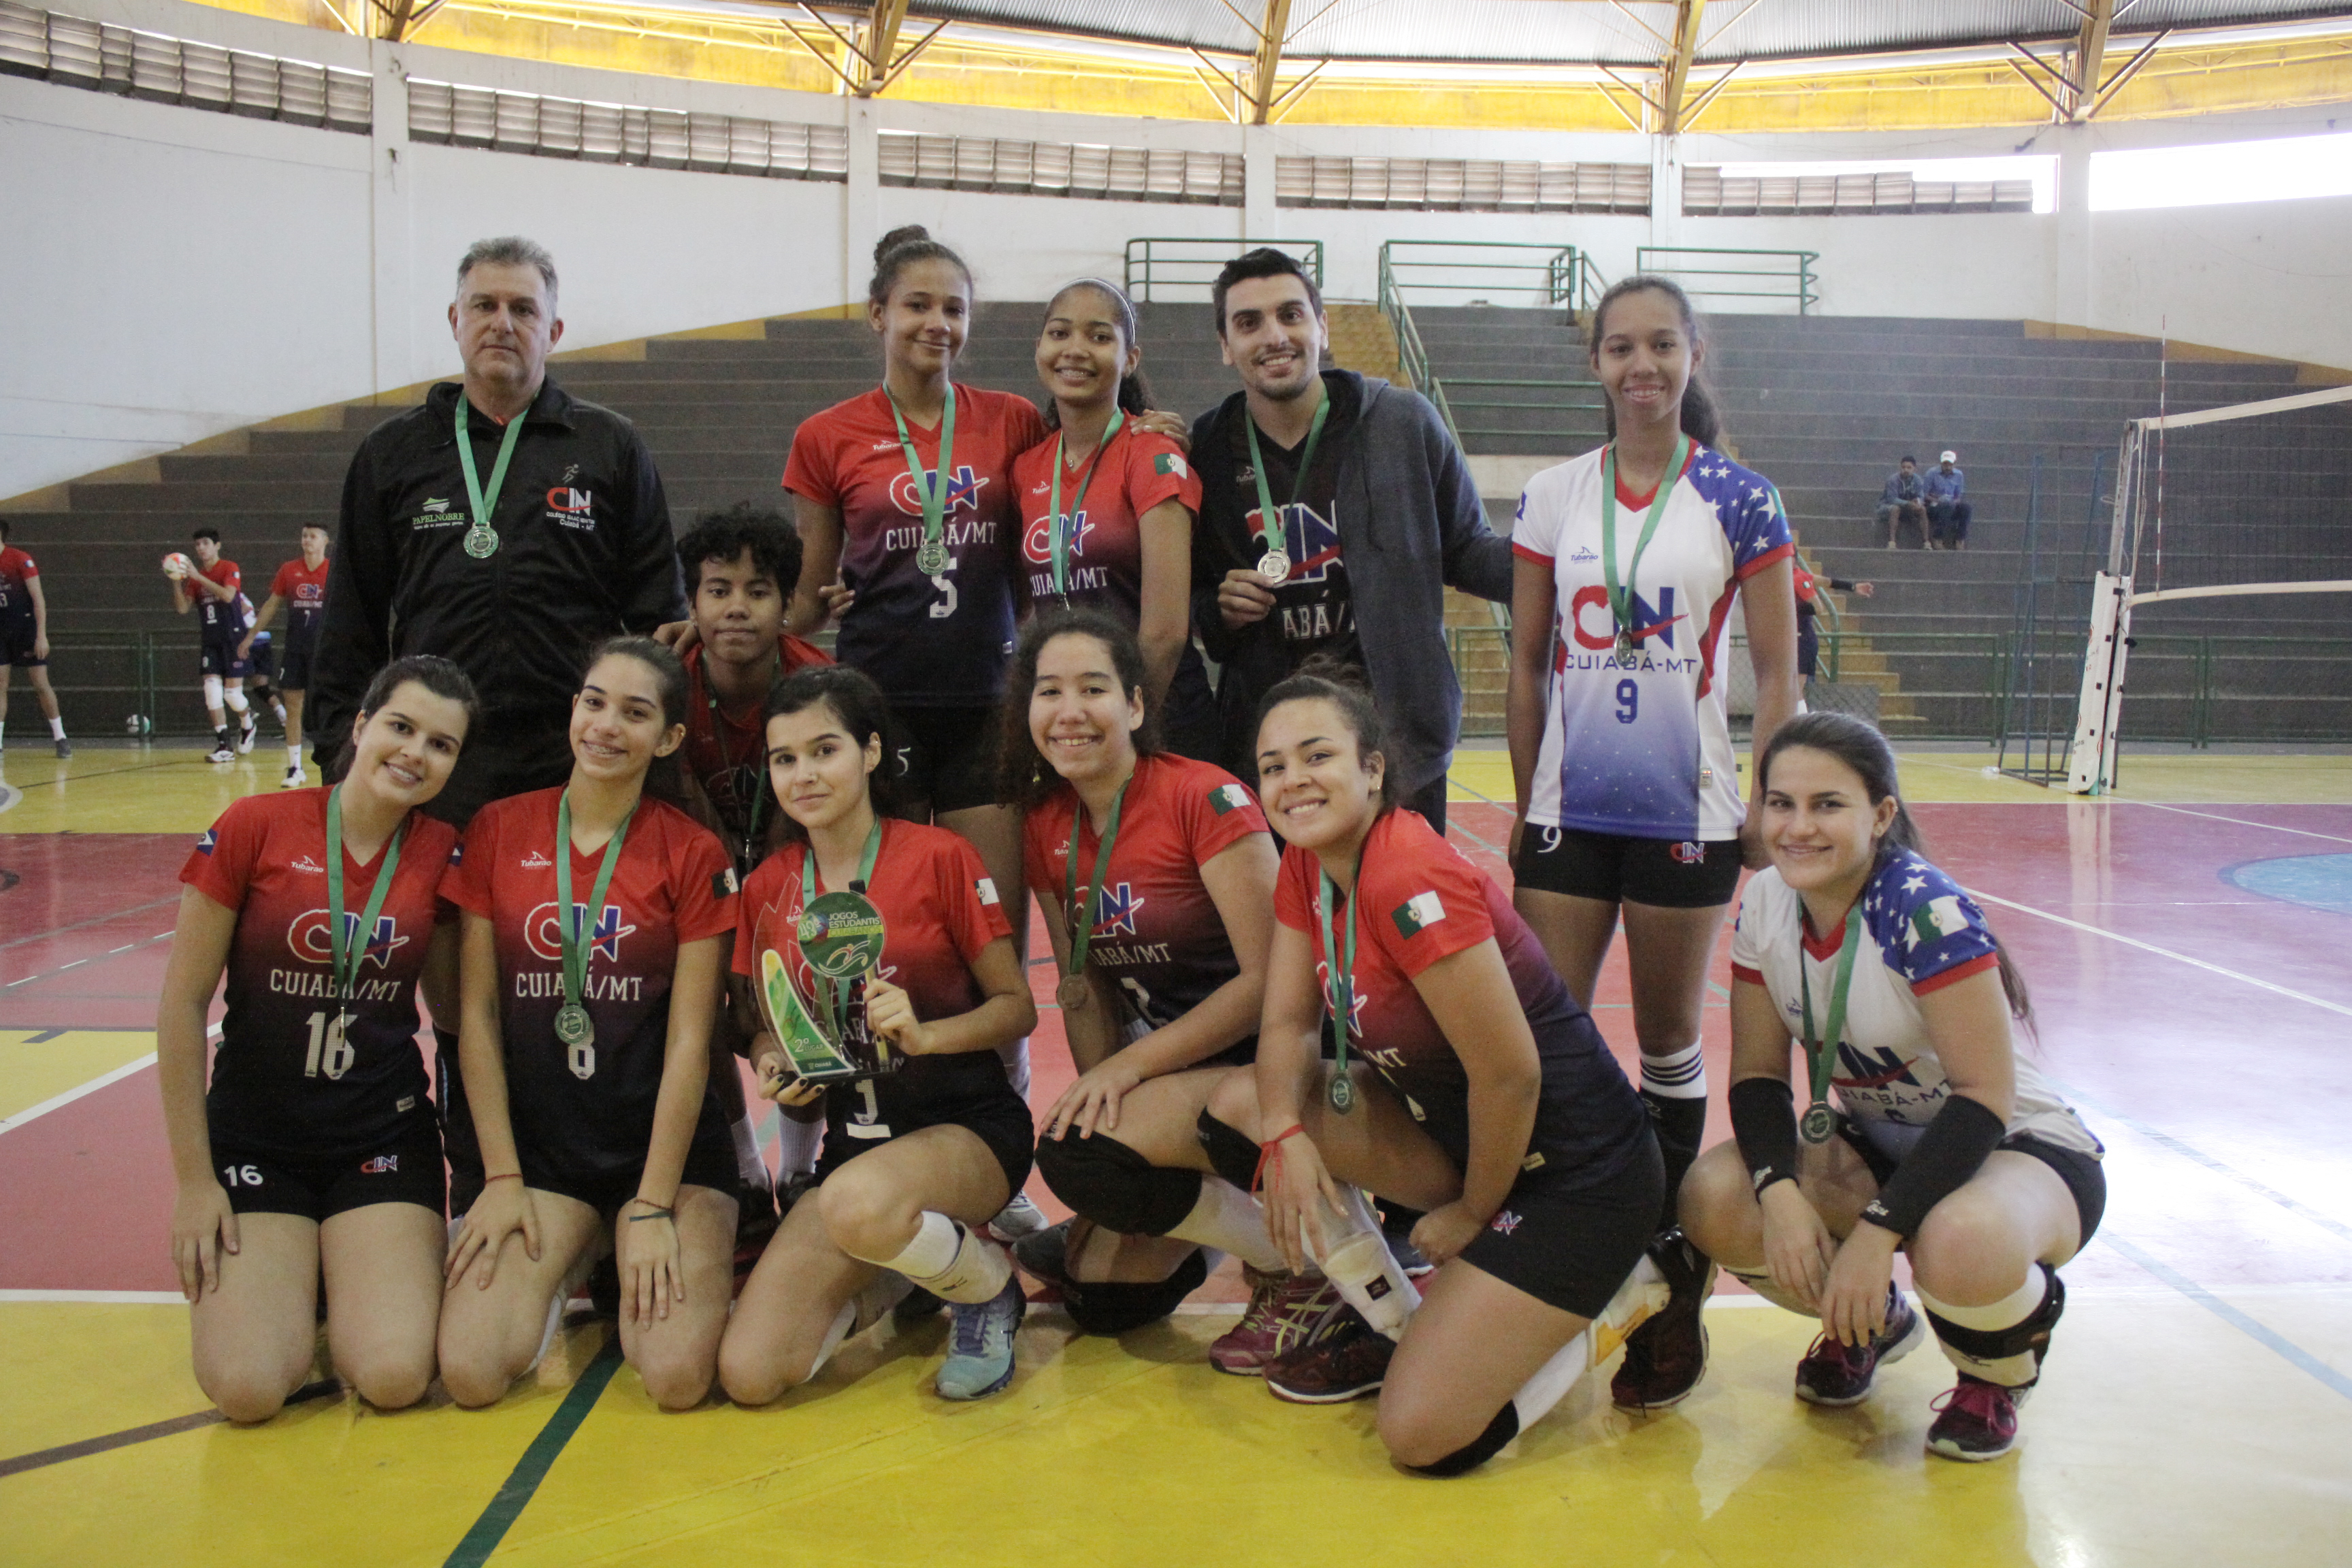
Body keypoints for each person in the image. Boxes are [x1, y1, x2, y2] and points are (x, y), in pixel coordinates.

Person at [1189, 667, 1664, 1472]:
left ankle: (1638, 1288)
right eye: (1273, 766)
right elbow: (1288, 1022)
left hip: (1579, 1177)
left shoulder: (1409, 875)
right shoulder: (1309, 864)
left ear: (1373, 768)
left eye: (1317, 756)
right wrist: (1285, 1132)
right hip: (1465, 1139)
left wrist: (1475, 1212)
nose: (1293, 780)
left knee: (1422, 1436)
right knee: (1246, 1102)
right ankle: (1404, 1328)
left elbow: (1510, 1075)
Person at [1503, 273, 1801, 1414]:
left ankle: (1673, 1269)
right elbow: (1529, 663)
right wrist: (1529, 799)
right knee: (1551, 1038)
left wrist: (1770, 804)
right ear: (1595, 362)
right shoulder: (1552, 496)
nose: (1642, 365)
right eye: (1621, 346)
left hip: (1690, 811)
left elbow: (1777, 671)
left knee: (1671, 1040)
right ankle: (1566, 1244)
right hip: (1571, 810)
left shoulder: (1741, 498)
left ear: (1693, 355)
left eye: (1662, 345)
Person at [1678, 712, 2105, 1461]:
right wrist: (1780, 1193)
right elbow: (1756, 1076)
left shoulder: (1921, 908)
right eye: (1780, 803)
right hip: (1883, 1139)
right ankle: (1868, 1323)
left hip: (2012, 1145)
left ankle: (1997, 1368)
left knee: (1960, 1241)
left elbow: (1983, 1098)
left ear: (1880, 816)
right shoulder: (1768, 901)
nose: (1798, 827)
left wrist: (1876, 1234)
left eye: (1827, 805)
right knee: (1717, 1196)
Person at [156, 655, 476, 1422]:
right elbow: (182, 1005)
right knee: (247, 1389)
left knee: (395, 1375)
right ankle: (307, 1275)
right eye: (401, 727)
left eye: (440, 744)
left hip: (381, 1135)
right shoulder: (255, 826)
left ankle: (343, 1272)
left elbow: (456, 1016)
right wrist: (195, 1184)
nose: (415, 753)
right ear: (361, 726)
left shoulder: (441, 851)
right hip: (256, 1140)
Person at [718, 666, 1039, 1404]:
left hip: (966, 1132)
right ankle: (918, 1271)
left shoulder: (939, 856)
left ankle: (986, 1289)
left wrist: (926, 1035)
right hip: (854, 1154)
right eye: (784, 758)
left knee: (858, 1203)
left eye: (824, 750)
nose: (804, 774)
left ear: (870, 753)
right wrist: (773, 1060)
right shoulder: (768, 885)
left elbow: (1016, 1008)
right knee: (751, 1372)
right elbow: (761, 1026)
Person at [436, 638, 741, 1412]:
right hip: (545, 1156)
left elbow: (691, 1044)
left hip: (665, 1158)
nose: (606, 726)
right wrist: (501, 1177)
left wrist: (654, 1203)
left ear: (668, 738)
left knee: (674, 1376)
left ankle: (626, 1230)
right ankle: (583, 1245)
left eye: (635, 713)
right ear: (573, 708)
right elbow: (476, 1017)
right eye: (595, 702)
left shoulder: (693, 851)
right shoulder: (498, 828)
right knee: (471, 1371)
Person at [310, 235, 686, 828]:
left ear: (553, 331)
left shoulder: (609, 446)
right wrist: (339, 751)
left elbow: (658, 616)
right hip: (435, 757)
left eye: (523, 309)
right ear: (455, 320)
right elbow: (349, 621)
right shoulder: (393, 452)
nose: (501, 324)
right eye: (484, 306)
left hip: (576, 754)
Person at [1007, 609, 1279, 1340]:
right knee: (1102, 1298)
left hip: (1271, 1060)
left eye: (1092, 689)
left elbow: (1270, 983)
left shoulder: (1204, 797)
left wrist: (1127, 1072)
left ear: (1133, 705)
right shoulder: (1048, 821)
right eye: (1049, 691)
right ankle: (1209, 1226)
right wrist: (1104, 1110)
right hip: (1173, 1073)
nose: (1069, 711)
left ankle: (1293, 1258)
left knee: (1076, 1157)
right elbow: (1081, 984)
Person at [1190, 248, 1512, 834]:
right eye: (1249, 322)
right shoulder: (1206, 448)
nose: (1274, 336)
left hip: (1397, 744)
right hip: (1272, 756)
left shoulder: (1402, 422)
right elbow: (1192, 600)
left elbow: (1469, 551)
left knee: (1401, 895)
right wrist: (1218, 608)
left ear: (1322, 326)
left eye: (1291, 315)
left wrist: (1569, 550)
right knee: (1284, 901)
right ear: (1225, 345)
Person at [672, 502, 832, 1245]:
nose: (736, 607)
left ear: (787, 603)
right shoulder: (668, 683)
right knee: (697, 1003)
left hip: (796, 868)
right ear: (692, 602)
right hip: (698, 874)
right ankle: (742, 1166)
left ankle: (798, 1168)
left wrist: (768, 914)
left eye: (758, 590)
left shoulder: (820, 683)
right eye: (718, 589)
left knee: (801, 989)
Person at [1011, 279, 1217, 760]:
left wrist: (1126, 729)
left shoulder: (1152, 455)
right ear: (1039, 347)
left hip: (1154, 716)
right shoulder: (1028, 467)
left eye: (1100, 337)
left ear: (1130, 359)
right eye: (1060, 333)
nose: (1075, 349)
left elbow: (1165, 632)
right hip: (1073, 716)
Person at [240, 524, 331, 789]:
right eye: (304, 536)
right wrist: (250, 636)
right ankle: (295, 767)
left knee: (328, 707)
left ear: (325, 541)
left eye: (313, 536)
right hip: (295, 649)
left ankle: (336, 764)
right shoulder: (289, 570)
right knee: (293, 706)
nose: (307, 540)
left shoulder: (333, 571)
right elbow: (272, 604)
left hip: (324, 650)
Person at [166, 527, 257, 764]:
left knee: (232, 695)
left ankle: (248, 721)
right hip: (211, 640)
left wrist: (198, 577)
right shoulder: (195, 579)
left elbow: (228, 596)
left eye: (205, 543)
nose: (201, 548)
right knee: (212, 691)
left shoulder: (228, 567)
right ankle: (224, 745)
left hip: (233, 637)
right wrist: (176, 582)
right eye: (197, 545)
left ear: (217, 546)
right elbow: (183, 609)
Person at [0, 518, 69, 758]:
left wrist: (41, 636)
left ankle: (60, 738)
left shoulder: (19, 559)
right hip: (1, 631)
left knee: (40, 684)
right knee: (0, 686)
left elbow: (38, 598)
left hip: (25, 629)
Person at [1791, 543, 1875, 685]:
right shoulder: (1793, 577)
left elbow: (1818, 608)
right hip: (1794, 638)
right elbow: (1825, 581)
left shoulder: (1798, 578)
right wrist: (1852, 587)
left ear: (1793, 559)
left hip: (1802, 639)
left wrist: (1789, 608)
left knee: (1798, 688)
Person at [1878, 457, 1927, 550]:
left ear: (1914, 469)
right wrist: (1908, 503)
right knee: (1895, 508)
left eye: (1909, 468)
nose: (1906, 470)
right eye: (1903, 467)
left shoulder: (1918, 480)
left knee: (1922, 509)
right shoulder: (1893, 480)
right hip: (1887, 507)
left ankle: (1926, 542)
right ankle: (1892, 542)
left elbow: (1921, 496)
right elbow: (1892, 499)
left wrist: (1918, 503)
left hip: (1907, 508)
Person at [1925, 451, 1972, 551]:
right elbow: (1925, 494)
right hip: (1934, 505)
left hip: (1951, 503)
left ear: (1954, 464)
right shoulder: (1932, 473)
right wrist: (1937, 500)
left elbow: (1958, 496)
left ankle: (1960, 539)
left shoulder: (1959, 475)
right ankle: (1937, 538)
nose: (1948, 467)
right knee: (1946, 507)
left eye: (1950, 464)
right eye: (1945, 464)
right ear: (1941, 463)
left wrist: (1954, 502)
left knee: (1966, 508)